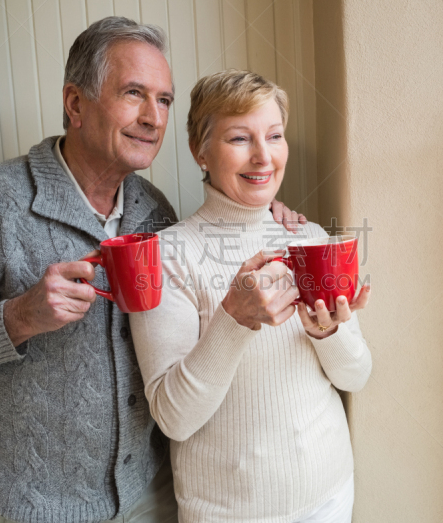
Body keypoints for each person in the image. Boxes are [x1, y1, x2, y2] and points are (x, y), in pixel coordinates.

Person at [0, 18, 304, 523]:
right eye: (133, 93)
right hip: (36, 509)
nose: (153, 118)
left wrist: (268, 215)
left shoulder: (155, 213)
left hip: (152, 495)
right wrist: (17, 317)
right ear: (75, 104)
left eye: (164, 100)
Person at [129, 70, 372, 522]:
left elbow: (356, 376)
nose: (263, 157)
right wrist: (233, 320)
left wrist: (329, 334)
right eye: (240, 138)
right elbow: (174, 418)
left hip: (332, 496)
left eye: (274, 135)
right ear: (200, 151)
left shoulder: (309, 238)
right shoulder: (168, 257)